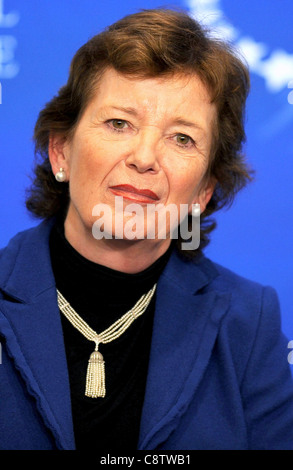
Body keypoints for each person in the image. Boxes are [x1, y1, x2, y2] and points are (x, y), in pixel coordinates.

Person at [0, 8, 293, 451]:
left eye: (182, 138)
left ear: (204, 192)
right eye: (119, 123)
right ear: (61, 151)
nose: (144, 157)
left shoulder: (249, 322)